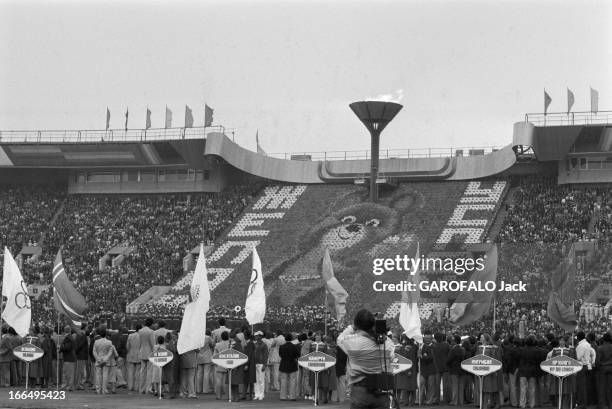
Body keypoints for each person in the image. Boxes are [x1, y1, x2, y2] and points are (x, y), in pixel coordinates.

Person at [337, 309, 395, 409]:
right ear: (373, 324)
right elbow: (392, 357)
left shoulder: (352, 342)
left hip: (360, 390)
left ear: (357, 325)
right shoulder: (387, 343)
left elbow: (340, 339)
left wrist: (352, 326)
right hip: (381, 391)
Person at [92, 327, 118, 394]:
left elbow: (94, 352)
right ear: (106, 334)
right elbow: (110, 352)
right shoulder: (109, 342)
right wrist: (105, 359)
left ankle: (98, 390)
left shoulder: (96, 342)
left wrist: (98, 359)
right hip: (106, 361)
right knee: (105, 375)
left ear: (100, 334)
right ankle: (104, 390)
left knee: (98, 375)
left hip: (98, 360)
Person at [575, 331, 596, 409]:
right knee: (586, 385)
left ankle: (582, 404)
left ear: (578, 338)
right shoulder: (588, 344)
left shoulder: (581, 346)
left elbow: (578, 357)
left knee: (581, 386)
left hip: (582, 366)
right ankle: (586, 402)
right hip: (588, 365)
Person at [279, 332, 300, 401]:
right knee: (293, 381)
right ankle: (292, 397)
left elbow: (280, 355)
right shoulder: (294, 346)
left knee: (283, 381)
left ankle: (283, 396)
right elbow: (297, 355)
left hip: (283, 364)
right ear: (291, 339)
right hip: (292, 364)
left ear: (285, 339)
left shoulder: (281, 347)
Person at [595, 332, 612, 409]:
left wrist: (598, 368)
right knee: (610, 387)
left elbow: (597, 361)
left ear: (603, 339)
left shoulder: (600, 348)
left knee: (601, 387)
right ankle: (610, 404)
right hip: (611, 368)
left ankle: (602, 405)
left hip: (602, 368)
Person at [138, 317, 154, 394]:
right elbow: (152, 344)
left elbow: (139, 342)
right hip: (149, 352)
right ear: (151, 324)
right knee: (149, 371)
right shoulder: (151, 332)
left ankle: (141, 389)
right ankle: (148, 389)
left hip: (142, 351)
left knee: (142, 371)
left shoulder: (140, 331)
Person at [196, 329, 214, 394]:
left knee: (199, 373)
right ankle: (205, 390)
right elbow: (212, 345)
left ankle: (198, 389)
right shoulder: (208, 338)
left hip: (199, 356)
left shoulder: (198, 338)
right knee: (206, 373)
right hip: (207, 356)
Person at [213, 330, 230, 400]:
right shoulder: (230, 344)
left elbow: (214, 355)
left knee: (219, 380)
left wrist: (215, 363)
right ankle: (227, 395)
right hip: (229, 363)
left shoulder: (217, 344)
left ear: (221, 337)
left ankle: (218, 395)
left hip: (219, 363)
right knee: (227, 381)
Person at [253, 330, 269, 400]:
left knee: (261, 380)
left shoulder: (264, 345)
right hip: (255, 364)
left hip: (261, 364)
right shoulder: (255, 344)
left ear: (260, 336)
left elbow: (266, 355)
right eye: (255, 336)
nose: (255, 337)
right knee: (256, 380)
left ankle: (261, 394)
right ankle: (256, 394)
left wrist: (265, 365)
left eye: (257, 336)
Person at [126, 324, 141, 392]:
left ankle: (130, 386)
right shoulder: (141, 336)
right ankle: (136, 387)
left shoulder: (130, 335)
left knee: (130, 372)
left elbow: (127, 346)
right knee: (138, 372)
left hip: (131, 354)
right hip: (139, 355)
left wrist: (129, 351)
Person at [60, 325, 76, 391]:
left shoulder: (68, 338)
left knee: (68, 373)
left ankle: (69, 386)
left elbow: (67, 347)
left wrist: (61, 348)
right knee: (67, 372)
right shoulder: (69, 337)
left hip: (69, 357)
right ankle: (66, 385)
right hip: (69, 357)